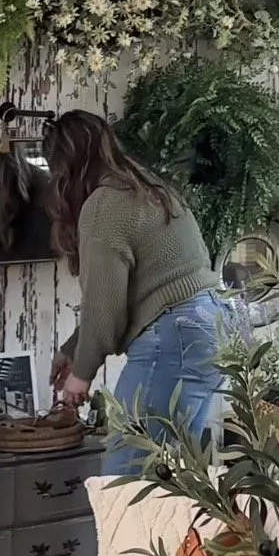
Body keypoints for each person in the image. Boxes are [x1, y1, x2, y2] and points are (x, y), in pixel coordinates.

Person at [46, 110, 225, 478]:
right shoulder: (152, 188)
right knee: (173, 480)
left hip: (172, 342)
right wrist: (73, 349)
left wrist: (82, 374)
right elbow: (124, 295)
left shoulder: (103, 205)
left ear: (65, 168)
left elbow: (105, 309)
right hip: (210, 329)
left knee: (126, 483)